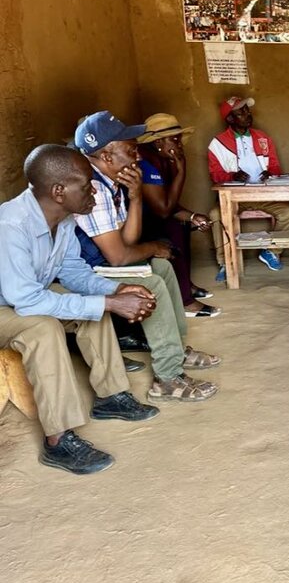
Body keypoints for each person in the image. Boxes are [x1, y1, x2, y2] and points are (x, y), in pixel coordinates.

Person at [0, 145, 162, 474]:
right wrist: (110, 302)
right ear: (58, 191)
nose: (94, 192)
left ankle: (112, 396)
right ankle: (58, 441)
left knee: (93, 309)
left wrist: (116, 291)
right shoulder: (11, 225)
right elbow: (27, 301)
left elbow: (74, 273)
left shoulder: (65, 218)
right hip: (10, 305)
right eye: (87, 186)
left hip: (26, 298)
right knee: (42, 328)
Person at [73, 112, 219, 404]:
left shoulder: (111, 182)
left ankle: (175, 349)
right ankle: (167, 378)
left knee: (162, 267)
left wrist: (136, 196)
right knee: (151, 280)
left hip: (102, 261)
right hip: (84, 270)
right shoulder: (94, 188)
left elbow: (128, 241)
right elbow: (117, 257)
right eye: (130, 150)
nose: (137, 156)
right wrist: (152, 247)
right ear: (106, 155)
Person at [137, 113, 219, 318]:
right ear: (157, 142)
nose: (180, 143)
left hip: (151, 216)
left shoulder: (160, 160)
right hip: (135, 224)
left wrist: (192, 217)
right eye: (174, 139)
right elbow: (164, 210)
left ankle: (185, 285)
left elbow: (169, 205)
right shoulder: (146, 163)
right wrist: (182, 172)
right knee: (173, 227)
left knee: (182, 224)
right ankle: (184, 301)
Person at [208, 97, 289, 279]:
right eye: (240, 112)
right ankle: (225, 263)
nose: (247, 115)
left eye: (247, 111)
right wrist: (232, 176)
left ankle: (271, 251)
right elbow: (215, 175)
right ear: (230, 119)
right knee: (215, 215)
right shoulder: (217, 144)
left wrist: (270, 175)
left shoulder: (263, 138)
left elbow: (274, 166)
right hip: (234, 198)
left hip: (263, 195)